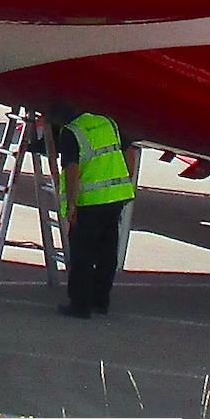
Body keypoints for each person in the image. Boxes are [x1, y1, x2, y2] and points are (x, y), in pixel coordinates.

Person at [52, 105, 137, 319]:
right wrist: (124, 184)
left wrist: (72, 205)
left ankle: (80, 306)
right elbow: (130, 153)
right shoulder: (107, 122)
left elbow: (72, 170)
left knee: (82, 254)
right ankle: (101, 301)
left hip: (90, 202)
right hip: (115, 198)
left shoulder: (71, 132)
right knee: (108, 253)